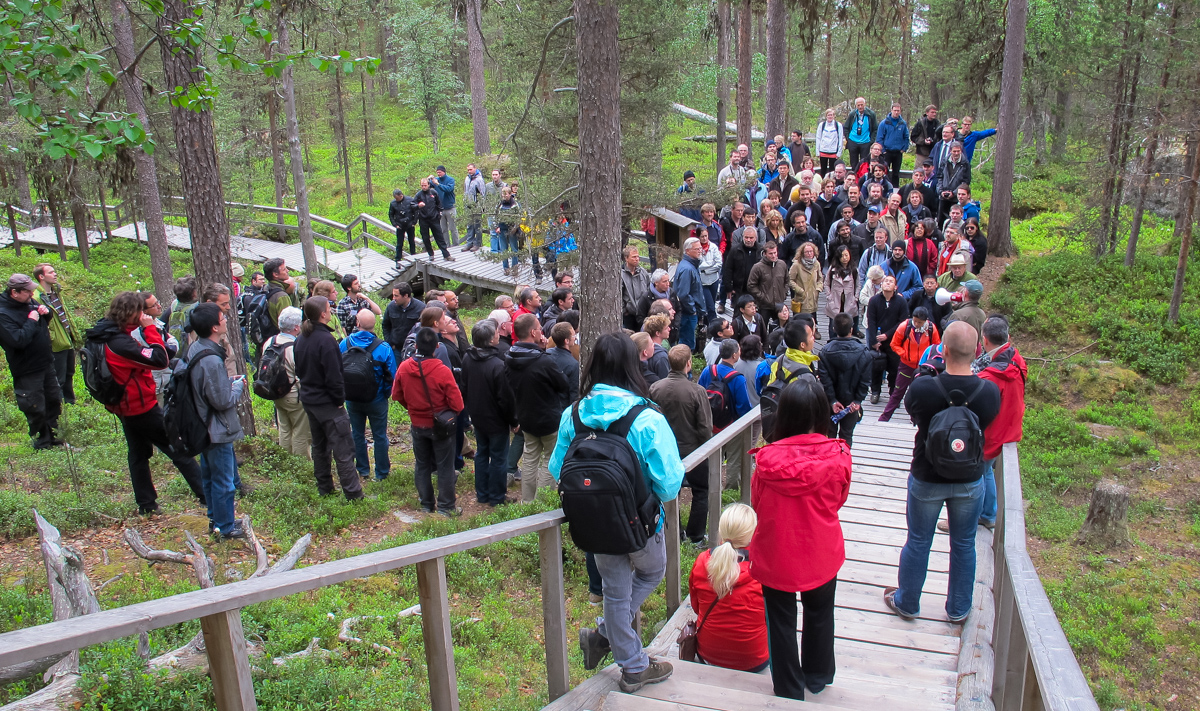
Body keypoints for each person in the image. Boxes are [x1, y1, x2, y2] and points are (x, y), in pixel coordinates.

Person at [552, 334, 684, 694]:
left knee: (615, 591)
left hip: (593, 523)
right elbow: (670, 484)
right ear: (632, 365)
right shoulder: (645, 417)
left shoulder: (574, 414)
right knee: (653, 570)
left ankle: (609, 639)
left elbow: (556, 468)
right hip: (640, 524)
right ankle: (631, 663)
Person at [886, 322, 1001, 623]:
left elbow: (913, 414)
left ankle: (908, 601)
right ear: (978, 351)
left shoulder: (924, 387)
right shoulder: (988, 391)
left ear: (943, 349)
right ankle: (959, 608)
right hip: (969, 478)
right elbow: (987, 422)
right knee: (964, 543)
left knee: (919, 540)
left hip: (927, 474)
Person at [750, 377, 851, 700]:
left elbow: (757, 505)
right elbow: (839, 499)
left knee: (780, 619)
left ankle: (789, 687)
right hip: (821, 546)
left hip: (777, 549)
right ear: (821, 413)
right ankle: (818, 676)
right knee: (821, 612)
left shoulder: (766, 462)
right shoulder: (838, 456)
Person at [88, 292, 206, 515]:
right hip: (139, 407)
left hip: (123, 406)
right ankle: (205, 495)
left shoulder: (103, 331)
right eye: (140, 311)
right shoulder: (119, 343)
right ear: (131, 313)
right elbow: (159, 359)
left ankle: (146, 504)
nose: (144, 315)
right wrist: (150, 329)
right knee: (177, 448)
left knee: (138, 454)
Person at [183, 303, 246, 539]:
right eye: (223, 318)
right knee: (224, 480)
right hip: (215, 428)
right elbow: (221, 401)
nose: (226, 320)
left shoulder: (196, 347)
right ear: (213, 326)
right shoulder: (211, 360)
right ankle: (226, 527)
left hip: (202, 424)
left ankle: (216, 520)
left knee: (209, 476)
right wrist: (237, 386)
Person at [295, 296, 365, 501]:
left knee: (320, 446)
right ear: (323, 314)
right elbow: (334, 375)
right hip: (327, 402)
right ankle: (353, 494)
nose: (331, 310)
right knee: (343, 447)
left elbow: (299, 369)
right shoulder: (326, 340)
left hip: (309, 399)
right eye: (329, 308)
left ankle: (324, 488)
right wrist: (338, 399)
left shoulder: (301, 338)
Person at [686, 503, 768, 671]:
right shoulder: (764, 568)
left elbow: (696, 607)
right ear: (753, 535)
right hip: (755, 659)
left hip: (708, 654)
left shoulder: (703, 561)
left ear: (721, 531)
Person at [393, 327, 465, 515]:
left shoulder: (404, 367)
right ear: (437, 347)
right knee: (445, 466)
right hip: (440, 424)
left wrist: (413, 409)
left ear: (416, 346)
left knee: (422, 464)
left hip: (417, 423)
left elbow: (396, 395)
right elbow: (457, 403)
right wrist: (448, 413)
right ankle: (446, 506)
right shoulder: (441, 370)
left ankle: (426, 503)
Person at [649, 345, 713, 545]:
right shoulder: (697, 391)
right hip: (693, 451)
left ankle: (674, 533)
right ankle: (696, 535)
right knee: (701, 491)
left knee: (669, 493)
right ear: (688, 363)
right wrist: (706, 448)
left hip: (665, 452)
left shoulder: (655, 388)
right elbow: (705, 426)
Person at [505, 313, 570, 502]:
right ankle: (541, 504)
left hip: (525, 416)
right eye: (540, 327)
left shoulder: (509, 357)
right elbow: (563, 384)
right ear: (533, 332)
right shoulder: (543, 361)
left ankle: (527, 502)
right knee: (550, 460)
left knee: (530, 458)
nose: (542, 331)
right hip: (548, 418)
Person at [971, 316, 1027, 530]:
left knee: (982, 472)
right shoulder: (1016, 360)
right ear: (1008, 337)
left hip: (995, 431)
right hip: (1011, 423)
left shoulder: (992, 376)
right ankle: (988, 513)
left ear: (984, 341)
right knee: (987, 472)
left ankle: (983, 514)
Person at [0, 274, 61, 448]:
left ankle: (56, 439)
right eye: (28, 291)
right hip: (27, 368)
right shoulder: (3, 314)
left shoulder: (29, 302)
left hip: (45, 362)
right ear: (15, 292)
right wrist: (31, 320)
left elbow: (42, 323)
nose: (32, 294)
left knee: (54, 400)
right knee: (35, 406)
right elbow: (18, 340)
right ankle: (42, 443)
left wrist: (45, 314)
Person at [461, 319, 518, 506]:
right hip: (495, 419)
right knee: (499, 457)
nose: (498, 335)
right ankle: (497, 496)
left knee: (482, 454)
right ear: (490, 339)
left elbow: (464, 387)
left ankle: (482, 493)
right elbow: (505, 398)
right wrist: (513, 420)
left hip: (477, 415)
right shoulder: (497, 365)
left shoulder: (468, 358)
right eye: (495, 333)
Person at [338, 310, 397, 481]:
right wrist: (385, 394)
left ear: (357, 323)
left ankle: (363, 469)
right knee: (379, 436)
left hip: (352, 398)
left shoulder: (344, 344)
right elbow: (391, 376)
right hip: (376, 399)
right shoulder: (383, 347)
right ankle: (382, 472)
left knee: (357, 433)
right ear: (374, 325)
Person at [879, 306, 941, 423]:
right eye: (915, 321)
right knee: (898, 392)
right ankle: (884, 418)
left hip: (923, 367)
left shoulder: (932, 329)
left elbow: (936, 347)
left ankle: (915, 419)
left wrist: (928, 360)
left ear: (926, 321)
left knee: (919, 394)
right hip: (906, 365)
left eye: (920, 322)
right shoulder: (905, 326)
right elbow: (894, 344)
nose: (916, 324)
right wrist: (904, 354)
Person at [263, 306, 310, 458]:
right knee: (300, 432)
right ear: (297, 327)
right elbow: (301, 374)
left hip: (275, 392)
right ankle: (300, 465)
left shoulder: (270, 341)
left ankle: (285, 460)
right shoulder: (295, 346)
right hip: (294, 395)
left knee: (284, 428)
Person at [819, 313, 872, 447]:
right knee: (847, 435)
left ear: (834, 329)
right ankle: (844, 463)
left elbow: (825, 380)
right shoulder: (864, 352)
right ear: (852, 329)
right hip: (851, 404)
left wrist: (832, 400)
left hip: (829, 403)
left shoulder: (824, 352)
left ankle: (829, 464)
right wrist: (858, 400)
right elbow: (865, 380)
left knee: (829, 435)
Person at [33, 264, 83, 404]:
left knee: (69, 373)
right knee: (58, 377)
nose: (55, 274)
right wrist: (52, 339)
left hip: (67, 339)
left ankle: (70, 403)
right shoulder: (37, 297)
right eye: (51, 272)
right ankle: (60, 408)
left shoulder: (56, 292)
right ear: (41, 277)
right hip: (56, 343)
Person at [867, 275, 910, 403]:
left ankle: (893, 394)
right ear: (881, 284)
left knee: (894, 369)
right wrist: (874, 341)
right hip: (877, 342)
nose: (888, 283)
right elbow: (871, 321)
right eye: (886, 281)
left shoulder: (901, 302)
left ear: (895, 287)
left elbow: (902, 322)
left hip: (894, 341)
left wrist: (887, 335)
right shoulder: (874, 301)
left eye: (891, 281)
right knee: (876, 368)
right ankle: (875, 392)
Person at [722, 226, 761, 318]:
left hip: (756, 289)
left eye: (751, 238)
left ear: (755, 238)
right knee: (738, 314)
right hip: (739, 288)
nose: (748, 240)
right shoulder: (735, 250)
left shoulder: (761, 250)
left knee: (756, 315)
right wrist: (728, 287)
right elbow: (728, 269)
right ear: (742, 237)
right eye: (746, 237)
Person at [824, 245, 860, 340]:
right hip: (835, 300)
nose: (844, 258)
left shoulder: (854, 270)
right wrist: (829, 296)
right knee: (833, 324)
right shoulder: (832, 269)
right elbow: (826, 283)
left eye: (846, 255)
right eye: (842, 256)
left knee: (848, 324)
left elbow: (858, 285)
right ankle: (832, 341)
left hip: (849, 301)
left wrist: (855, 298)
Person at [747, 240, 787, 327]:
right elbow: (751, 285)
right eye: (770, 253)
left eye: (775, 253)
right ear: (764, 254)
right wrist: (762, 297)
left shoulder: (782, 264)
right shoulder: (757, 267)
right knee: (761, 328)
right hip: (764, 305)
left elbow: (787, 281)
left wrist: (784, 293)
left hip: (779, 304)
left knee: (782, 328)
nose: (773, 255)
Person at [674, 237, 705, 350]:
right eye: (696, 249)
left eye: (700, 248)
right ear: (687, 251)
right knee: (687, 344)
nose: (700, 251)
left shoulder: (691, 265)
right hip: (687, 314)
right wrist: (693, 310)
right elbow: (683, 294)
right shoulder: (687, 269)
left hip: (690, 312)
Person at [415, 177, 454, 262]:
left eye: (425, 185)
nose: (424, 187)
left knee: (439, 237)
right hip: (423, 219)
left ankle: (446, 254)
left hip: (434, 218)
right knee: (425, 238)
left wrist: (439, 214)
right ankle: (430, 254)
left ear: (428, 185)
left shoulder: (433, 193)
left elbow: (439, 204)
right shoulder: (418, 195)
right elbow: (412, 205)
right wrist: (418, 205)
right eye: (422, 185)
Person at [382, 283, 425, 351]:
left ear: (405, 295)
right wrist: (390, 343)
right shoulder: (391, 307)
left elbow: (424, 328)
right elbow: (386, 325)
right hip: (396, 349)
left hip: (413, 349)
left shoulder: (420, 308)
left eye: (396, 296)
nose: (393, 298)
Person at [935, 142, 972, 223]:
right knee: (941, 221)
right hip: (943, 196)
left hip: (956, 198)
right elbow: (939, 177)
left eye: (958, 151)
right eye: (954, 151)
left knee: (954, 221)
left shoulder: (965, 164)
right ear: (950, 151)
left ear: (961, 151)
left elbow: (966, 181)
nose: (956, 153)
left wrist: (954, 193)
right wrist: (941, 191)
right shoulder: (944, 161)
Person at [788, 241, 822, 325]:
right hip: (801, 297)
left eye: (811, 251)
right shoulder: (797, 265)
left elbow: (820, 278)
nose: (809, 253)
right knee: (800, 319)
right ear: (802, 253)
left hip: (813, 296)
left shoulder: (816, 264)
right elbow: (789, 279)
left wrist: (818, 289)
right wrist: (799, 290)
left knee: (812, 316)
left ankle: (814, 329)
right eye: (807, 252)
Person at [620, 245, 652, 331]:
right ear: (626, 258)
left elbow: (649, 290)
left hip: (643, 314)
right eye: (634, 257)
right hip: (628, 315)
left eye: (638, 256)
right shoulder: (620, 274)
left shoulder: (643, 272)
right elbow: (618, 295)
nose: (637, 259)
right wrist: (624, 310)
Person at [843, 97, 877, 172]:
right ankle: (854, 179)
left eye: (862, 105)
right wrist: (848, 139)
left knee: (864, 163)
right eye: (858, 105)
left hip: (865, 142)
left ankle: (863, 179)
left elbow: (875, 129)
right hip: (853, 141)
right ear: (856, 105)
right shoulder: (852, 114)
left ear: (865, 104)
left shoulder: (871, 114)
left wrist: (871, 141)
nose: (860, 107)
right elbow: (846, 127)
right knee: (853, 163)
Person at [461, 164, 486, 252]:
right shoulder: (467, 178)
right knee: (469, 225)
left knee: (477, 225)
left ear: (475, 169)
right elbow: (465, 191)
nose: (469, 171)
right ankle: (469, 242)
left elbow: (483, 193)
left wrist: (482, 206)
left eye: (471, 169)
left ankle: (477, 243)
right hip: (468, 205)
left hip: (477, 206)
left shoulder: (479, 179)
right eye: (468, 170)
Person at [388, 187, 417, 260]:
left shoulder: (410, 200)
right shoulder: (393, 203)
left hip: (409, 224)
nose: (396, 199)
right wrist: (395, 224)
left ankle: (413, 257)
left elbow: (416, 211)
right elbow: (391, 214)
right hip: (400, 225)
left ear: (401, 195)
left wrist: (414, 222)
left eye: (397, 198)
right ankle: (398, 259)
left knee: (412, 242)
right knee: (399, 244)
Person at [814, 109, 844, 175]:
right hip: (823, 150)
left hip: (833, 151)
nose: (830, 117)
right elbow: (818, 138)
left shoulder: (838, 125)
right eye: (828, 115)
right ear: (826, 116)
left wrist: (839, 152)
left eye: (831, 115)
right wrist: (817, 151)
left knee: (832, 171)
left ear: (834, 116)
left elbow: (840, 139)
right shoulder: (822, 125)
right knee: (823, 170)